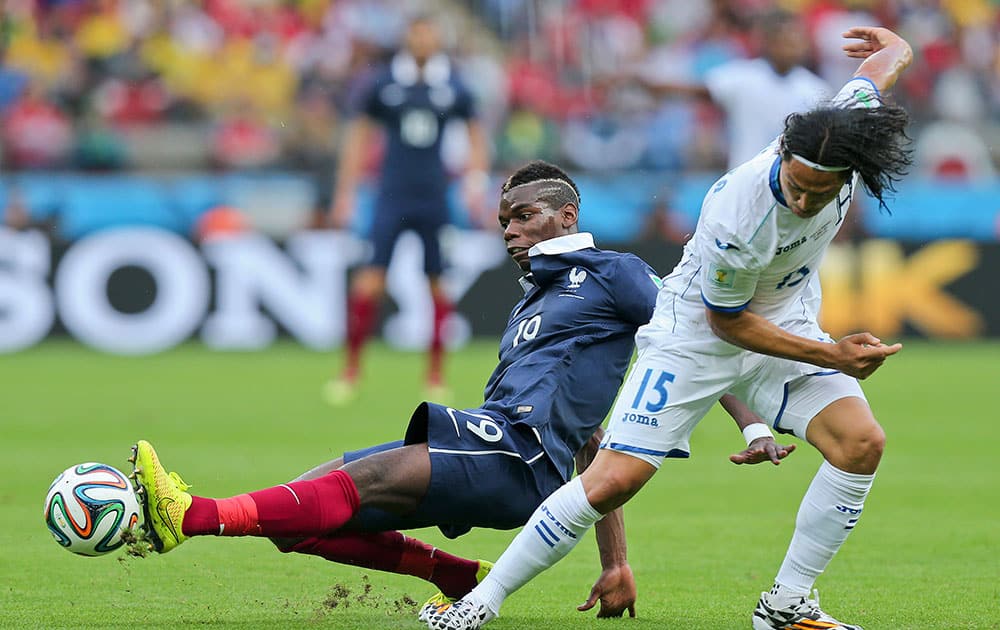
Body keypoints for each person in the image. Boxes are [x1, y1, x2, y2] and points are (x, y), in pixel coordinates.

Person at [130, 161, 791, 622]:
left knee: (357, 482)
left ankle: (193, 515)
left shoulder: (613, 273)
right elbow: (591, 444)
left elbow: (694, 341)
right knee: (305, 512)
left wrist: (752, 424)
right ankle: (448, 574)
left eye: (525, 217)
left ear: (567, 216)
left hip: (519, 456)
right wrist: (615, 562)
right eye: (504, 219)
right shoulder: (533, 300)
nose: (510, 230)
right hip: (497, 443)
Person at [430, 26, 913, 630]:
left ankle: (787, 606)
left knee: (860, 443)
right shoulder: (743, 214)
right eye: (796, 185)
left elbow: (885, 66)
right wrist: (832, 356)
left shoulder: (839, 132)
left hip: (781, 322)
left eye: (822, 192)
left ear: (849, 173)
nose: (805, 203)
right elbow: (728, 323)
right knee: (613, 481)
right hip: (695, 338)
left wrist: (892, 44)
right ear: (783, 159)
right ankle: (481, 602)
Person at [324, 13, 492, 403]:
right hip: (391, 196)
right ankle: (350, 371)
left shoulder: (452, 85)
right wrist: (346, 191)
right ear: (406, 38)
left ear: (437, 39)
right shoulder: (384, 83)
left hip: (434, 197)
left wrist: (475, 182)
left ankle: (435, 376)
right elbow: (359, 136)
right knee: (369, 281)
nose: (422, 41)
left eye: (428, 33)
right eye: (417, 33)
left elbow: (476, 133)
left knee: (438, 284)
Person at [636, 9, 830, 169]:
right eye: (785, 40)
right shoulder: (743, 77)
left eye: (797, 40)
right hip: (745, 179)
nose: (792, 46)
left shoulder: (816, 89)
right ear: (768, 42)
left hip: (792, 185)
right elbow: (696, 90)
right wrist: (647, 84)